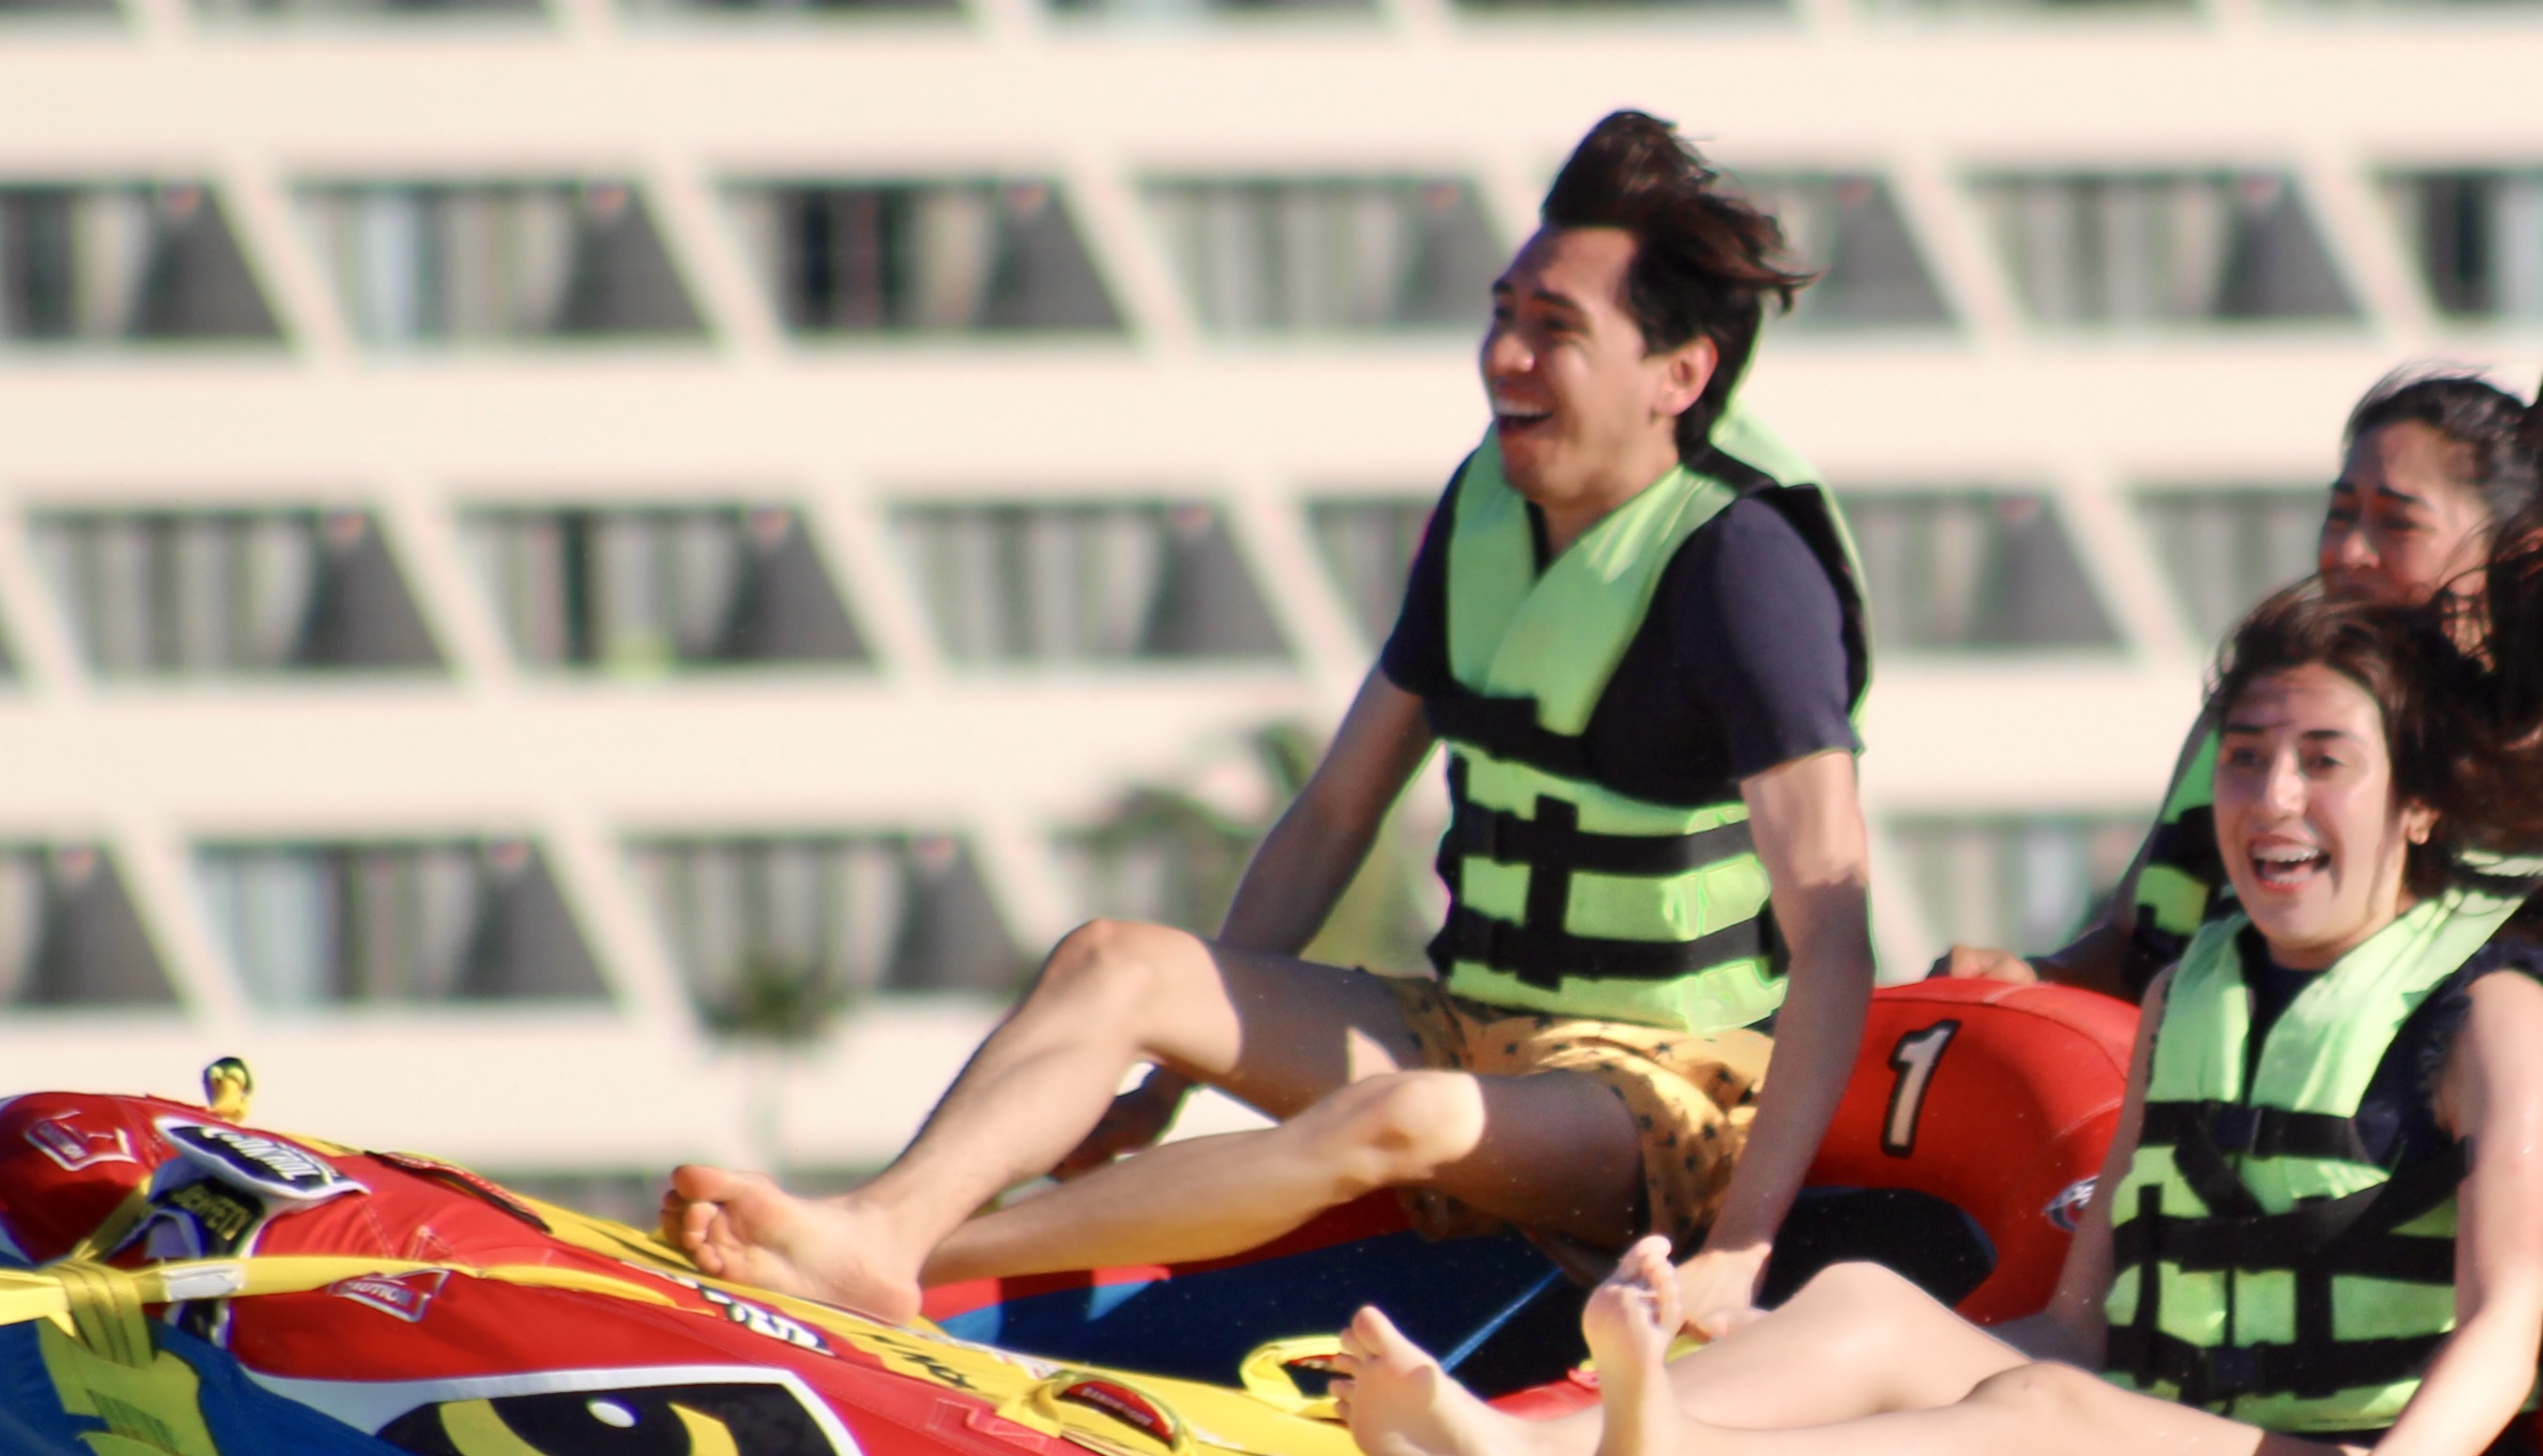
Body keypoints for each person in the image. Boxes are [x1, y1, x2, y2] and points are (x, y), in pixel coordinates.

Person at [1343, 522, 2543, 1456]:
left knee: (2042, 1414)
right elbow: (2080, 1326)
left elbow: (2506, 1321)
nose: (2269, 801)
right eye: (2244, 759)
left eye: (2323, 761)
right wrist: (1913, 1382)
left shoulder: (2487, 1009)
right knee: (1873, 1308)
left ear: (2417, 802)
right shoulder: (2197, 989)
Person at [663, 113, 1875, 1337]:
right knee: (1114, 960)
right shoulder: (1486, 511)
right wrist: (1171, 1077)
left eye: (1554, 328)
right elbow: (1335, 810)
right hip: (1477, 1025)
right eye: (1501, 313)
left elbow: (1833, 930)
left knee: (1393, 1114)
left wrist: (1741, 1246)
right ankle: (878, 1224)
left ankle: (910, 1267)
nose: (1504, 355)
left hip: (1665, 1095)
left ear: (1680, 373)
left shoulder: (1742, 565)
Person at [1948, 191, 2543, 1035]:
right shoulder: (2253, 711)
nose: (2347, 553)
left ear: (2521, 558)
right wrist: (2034, 977)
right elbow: (2135, 949)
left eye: (2395, 523)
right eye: (2339, 512)